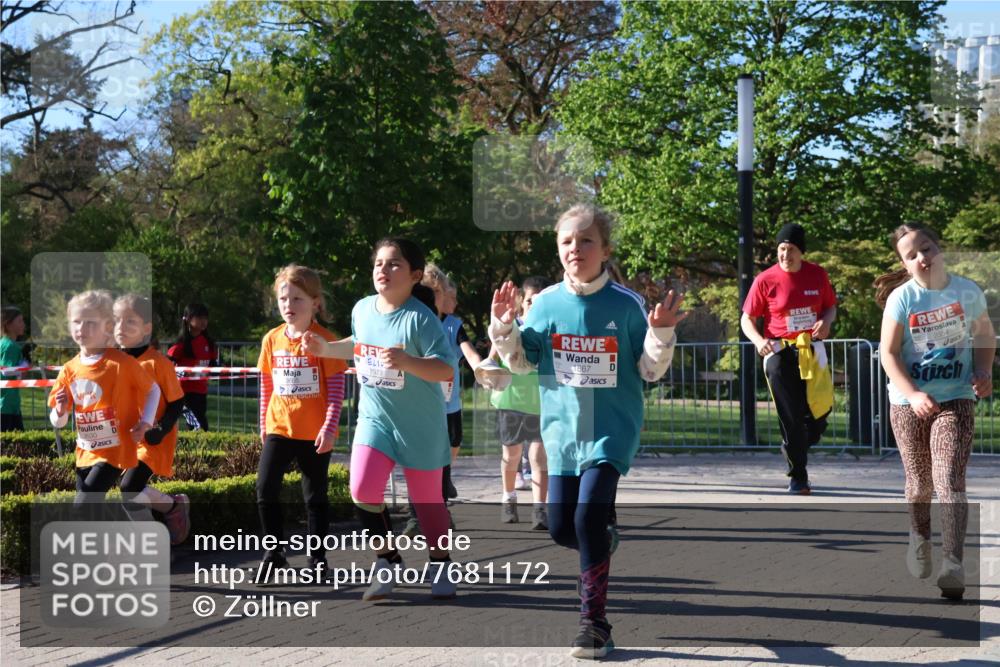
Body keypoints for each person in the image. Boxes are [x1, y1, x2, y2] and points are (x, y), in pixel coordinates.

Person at [490, 204, 683, 658]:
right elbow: (522, 362)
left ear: (605, 249)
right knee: (561, 529)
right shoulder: (546, 304)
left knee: (586, 519)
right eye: (566, 241)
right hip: (562, 435)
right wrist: (504, 328)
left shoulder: (628, 304)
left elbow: (651, 371)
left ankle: (593, 624)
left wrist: (660, 334)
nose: (576, 248)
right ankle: (602, 538)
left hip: (610, 431)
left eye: (586, 240)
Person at [304, 238, 458, 600]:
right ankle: (387, 561)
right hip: (376, 420)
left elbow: (446, 369)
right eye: (378, 264)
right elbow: (357, 343)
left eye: (394, 265)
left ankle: (441, 563)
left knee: (428, 504)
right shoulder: (362, 309)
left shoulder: (420, 319)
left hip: (420, 425)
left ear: (415, 275)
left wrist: (407, 362)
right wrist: (327, 349)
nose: (383, 271)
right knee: (361, 489)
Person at [875, 222, 995, 600]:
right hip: (908, 402)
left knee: (949, 480)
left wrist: (983, 370)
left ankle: (953, 565)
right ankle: (919, 537)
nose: (922, 258)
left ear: (938, 248)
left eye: (926, 248)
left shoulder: (967, 291)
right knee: (919, 483)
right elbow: (889, 354)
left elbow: (985, 335)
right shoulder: (903, 299)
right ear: (905, 264)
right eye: (911, 255)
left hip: (956, 397)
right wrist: (912, 394)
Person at [256, 265, 347, 572]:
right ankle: (274, 554)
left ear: (315, 303)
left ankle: (317, 559)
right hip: (279, 428)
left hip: (314, 432)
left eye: (297, 299)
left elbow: (336, 392)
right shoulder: (271, 339)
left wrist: (329, 428)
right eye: (284, 299)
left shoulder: (325, 341)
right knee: (265, 489)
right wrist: (263, 425)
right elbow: (267, 385)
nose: (289, 306)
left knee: (315, 497)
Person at [740, 223, 837, 494]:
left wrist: (826, 322)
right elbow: (747, 319)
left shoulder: (818, 275)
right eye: (781, 249)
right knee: (791, 416)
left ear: (801, 252)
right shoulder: (765, 280)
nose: (785, 255)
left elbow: (830, 307)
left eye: (791, 249)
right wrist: (759, 341)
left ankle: (795, 445)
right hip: (778, 353)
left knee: (820, 413)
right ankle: (799, 477)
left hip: (811, 350)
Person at [48, 290, 160, 501]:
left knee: (82, 505)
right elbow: (58, 420)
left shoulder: (122, 362)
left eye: (90, 322)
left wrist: (146, 423)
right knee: (90, 511)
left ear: (107, 327)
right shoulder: (69, 369)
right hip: (85, 452)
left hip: (115, 451)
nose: (82, 328)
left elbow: (153, 390)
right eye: (77, 322)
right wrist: (61, 410)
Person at [113, 294, 191, 544]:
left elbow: (177, 401)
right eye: (116, 321)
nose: (120, 327)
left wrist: (161, 428)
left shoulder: (158, 363)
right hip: (125, 438)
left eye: (129, 321)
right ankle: (172, 508)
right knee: (126, 492)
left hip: (154, 438)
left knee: (129, 488)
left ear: (146, 328)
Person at [490, 276, 550, 529]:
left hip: (542, 403)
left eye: (540, 300)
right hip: (511, 401)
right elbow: (492, 357)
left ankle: (539, 510)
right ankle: (509, 497)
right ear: (521, 302)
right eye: (529, 300)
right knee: (512, 455)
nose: (534, 305)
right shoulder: (510, 326)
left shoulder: (550, 330)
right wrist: (488, 371)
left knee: (538, 457)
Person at [424, 265, 483, 500]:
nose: (432, 298)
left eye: (437, 293)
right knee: (431, 454)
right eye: (428, 292)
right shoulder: (413, 321)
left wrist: (479, 366)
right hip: (423, 403)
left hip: (450, 402)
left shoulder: (452, 325)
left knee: (452, 444)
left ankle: (443, 482)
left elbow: (468, 352)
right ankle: (434, 507)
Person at [167, 303, 217, 431]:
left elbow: (213, 366)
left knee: (198, 424)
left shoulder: (209, 343)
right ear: (188, 319)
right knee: (199, 425)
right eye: (199, 317)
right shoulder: (180, 345)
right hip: (183, 393)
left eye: (205, 318)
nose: (204, 321)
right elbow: (167, 366)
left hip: (201, 391)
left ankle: (196, 448)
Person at [1, 306, 28, 432]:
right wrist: (25, 366)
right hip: (6, 405)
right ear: (9, 324)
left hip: (10, 404)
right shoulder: (11, 346)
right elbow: (6, 371)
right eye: (20, 321)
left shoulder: (5, 343)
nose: (23, 324)